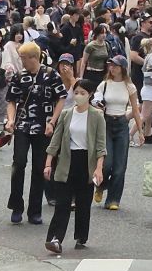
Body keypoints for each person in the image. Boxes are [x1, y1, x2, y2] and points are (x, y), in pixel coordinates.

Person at [5, 41, 66, 226]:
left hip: (43, 126)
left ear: (33, 58)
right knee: (19, 163)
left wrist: (53, 121)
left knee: (39, 168)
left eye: (23, 58)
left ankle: (35, 210)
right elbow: (11, 100)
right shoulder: (19, 76)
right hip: (23, 125)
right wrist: (10, 119)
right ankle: (16, 206)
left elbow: (61, 98)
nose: (21, 61)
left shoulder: (50, 75)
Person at [42, 77, 106, 255]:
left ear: (90, 95)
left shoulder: (97, 116)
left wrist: (99, 168)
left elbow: (101, 145)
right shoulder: (66, 114)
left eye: (82, 93)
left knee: (84, 203)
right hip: (67, 160)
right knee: (62, 203)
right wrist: (48, 163)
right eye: (76, 92)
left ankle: (81, 235)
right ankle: (55, 238)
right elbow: (56, 140)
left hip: (87, 161)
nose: (78, 96)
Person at [92, 58, 141, 212]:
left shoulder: (130, 86)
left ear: (122, 68)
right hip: (105, 123)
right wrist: (97, 103)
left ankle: (113, 199)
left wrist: (139, 130)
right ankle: (101, 185)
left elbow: (135, 108)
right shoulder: (104, 84)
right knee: (106, 163)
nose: (111, 68)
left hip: (121, 124)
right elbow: (95, 99)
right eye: (110, 65)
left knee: (120, 165)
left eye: (115, 65)